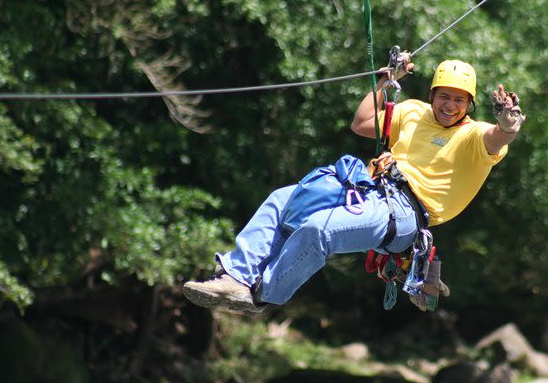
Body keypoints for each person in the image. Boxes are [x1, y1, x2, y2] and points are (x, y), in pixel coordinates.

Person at [183, 58, 524, 313]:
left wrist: (508, 123)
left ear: (470, 105)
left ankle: (262, 294)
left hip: (405, 213)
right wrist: (384, 82)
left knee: (320, 229)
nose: (450, 106)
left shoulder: (473, 136)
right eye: (444, 97)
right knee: (282, 200)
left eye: (459, 100)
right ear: (433, 95)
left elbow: (499, 136)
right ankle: (235, 277)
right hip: (370, 187)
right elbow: (362, 123)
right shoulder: (413, 112)